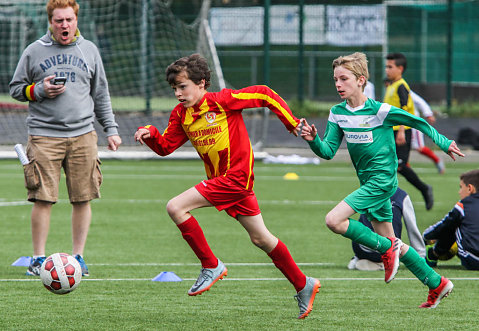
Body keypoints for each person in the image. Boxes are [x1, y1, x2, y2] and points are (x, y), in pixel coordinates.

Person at [134, 54, 320, 319]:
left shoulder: (222, 101)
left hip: (236, 178)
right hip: (224, 183)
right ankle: (303, 284)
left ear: (201, 83)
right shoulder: (181, 115)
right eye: (174, 88)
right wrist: (151, 133)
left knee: (176, 207)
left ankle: (211, 265)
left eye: (183, 86)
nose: (178, 93)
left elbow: (265, 94)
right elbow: (165, 147)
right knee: (261, 238)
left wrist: (291, 123)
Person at [300, 52, 464, 308]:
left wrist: (444, 143)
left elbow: (418, 122)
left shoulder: (380, 111)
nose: (338, 84)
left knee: (334, 220)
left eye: (344, 79)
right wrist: (313, 141)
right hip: (369, 184)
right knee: (395, 245)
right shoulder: (337, 113)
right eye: (335, 79)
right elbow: (328, 152)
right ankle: (437, 283)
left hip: (383, 182)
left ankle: (384, 249)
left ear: (361, 80)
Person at [9, 0, 122, 277]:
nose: (65, 25)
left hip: (83, 135)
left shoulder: (89, 50)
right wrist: (38, 90)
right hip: (44, 136)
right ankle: (37, 259)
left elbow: (101, 95)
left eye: (69, 20)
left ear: (76, 20)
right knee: (43, 199)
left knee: (82, 198)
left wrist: (112, 129)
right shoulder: (34, 50)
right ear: (51, 21)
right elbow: (15, 89)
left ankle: (78, 257)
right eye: (59, 20)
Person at [384, 53, 434, 210]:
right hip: (389, 131)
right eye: (386, 66)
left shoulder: (401, 86)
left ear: (400, 68)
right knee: (388, 164)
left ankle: (424, 188)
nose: (387, 70)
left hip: (402, 130)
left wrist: (400, 131)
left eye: (390, 67)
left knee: (400, 165)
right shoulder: (391, 85)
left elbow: (404, 109)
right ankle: (385, 199)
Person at [348, 187, 425, 271]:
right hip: (389, 250)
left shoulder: (368, 189)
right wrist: (420, 255)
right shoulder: (401, 195)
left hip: (360, 248)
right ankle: (382, 264)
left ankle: (358, 258)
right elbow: (412, 227)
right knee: (389, 243)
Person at [384, 79, 445, 174]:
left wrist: (428, 114)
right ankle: (406, 169)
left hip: (411, 124)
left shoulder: (402, 88)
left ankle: (437, 160)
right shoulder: (390, 92)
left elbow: (420, 101)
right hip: (400, 125)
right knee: (400, 149)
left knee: (419, 147)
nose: (387, 87)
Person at [423, 169, 479, 270]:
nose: (459, 192)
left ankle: (433, 254)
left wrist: (426, 236)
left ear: (470, 188)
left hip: (472, 259)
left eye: (461, 187)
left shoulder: (463, 206)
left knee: (453, 225)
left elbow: (444, 225)